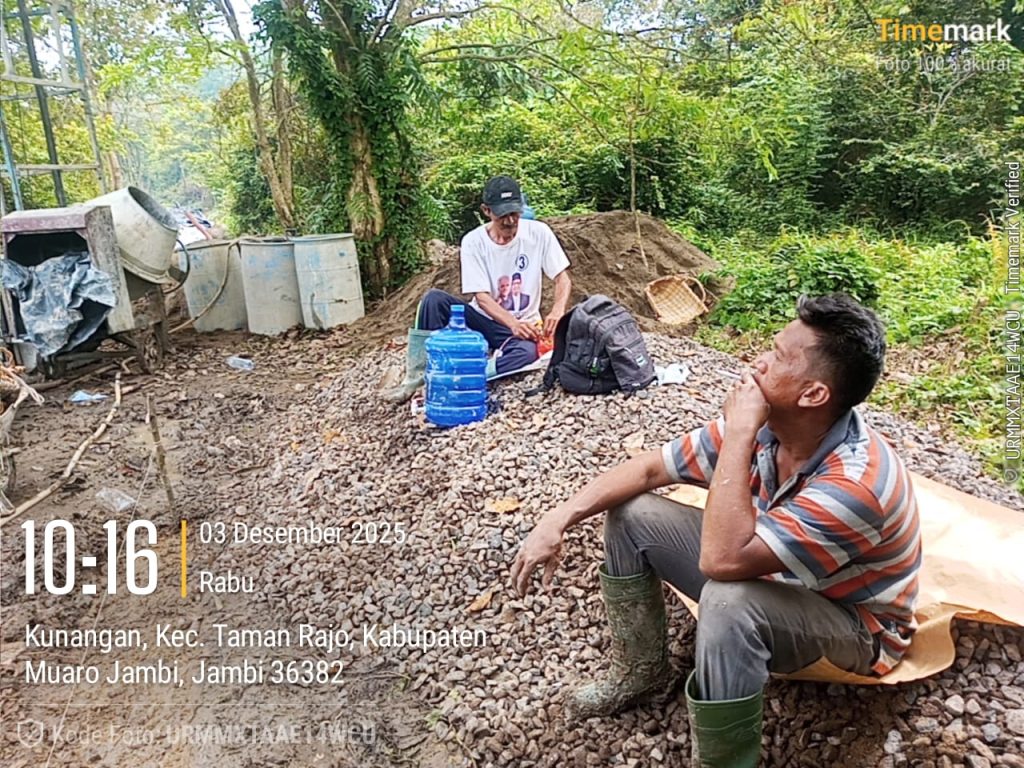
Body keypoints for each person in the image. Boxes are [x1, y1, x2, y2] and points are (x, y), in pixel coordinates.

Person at [510, 294, 921, 767]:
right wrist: (557, 518)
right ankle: (641, 674)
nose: (758, 362)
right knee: (632, 514)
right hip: (779, 574)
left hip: (854, 625)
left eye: (777, 356)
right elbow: (649, 470)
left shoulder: (856, 484)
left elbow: (721, 562)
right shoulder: (772, 424)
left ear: (813, 395)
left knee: (729, 600)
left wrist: (740, 432)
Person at [385, 176, 572, 401]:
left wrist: (557, 310)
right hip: (482, 321)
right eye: (503, 215)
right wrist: (513, 324)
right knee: (432, 300)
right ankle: (416, 379)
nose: (510, 221)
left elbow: (562, 278)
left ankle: (469, 377)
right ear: (486, 211)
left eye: (515, 213)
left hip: (524, 325)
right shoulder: (473, 242)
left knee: (526, 353)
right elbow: (482, 297)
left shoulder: (539, 233)